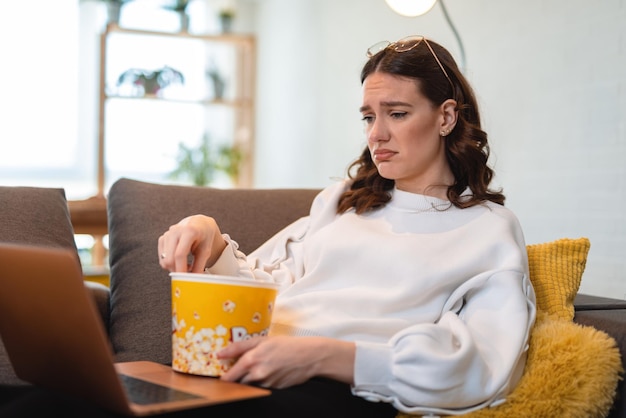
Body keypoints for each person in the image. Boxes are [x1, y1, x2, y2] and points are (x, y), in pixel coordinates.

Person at [156, 35, 536, 417]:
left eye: (397, 113)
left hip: (341, 392)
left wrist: (324, 356)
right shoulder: (343, 202)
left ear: (446, 117)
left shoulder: (487, 230)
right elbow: (268, 287)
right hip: (251, 365)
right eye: (369, 117)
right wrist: (210, 237)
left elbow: (481, 367)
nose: (376, 134)